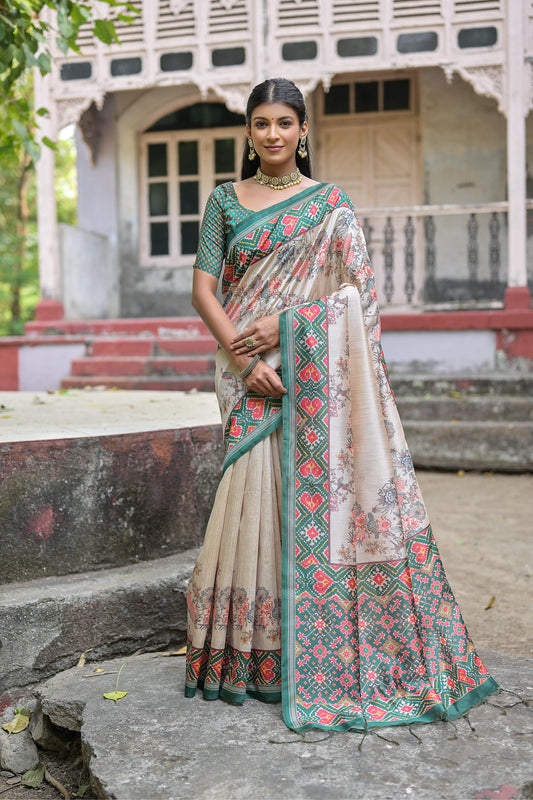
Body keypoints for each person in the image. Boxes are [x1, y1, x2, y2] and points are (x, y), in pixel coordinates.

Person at [184, 77, 498, 732]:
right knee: (249, 502)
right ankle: (247, 659)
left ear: (304, 131)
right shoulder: (223, 200)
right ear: (248, 132)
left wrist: (287, 330)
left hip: (310, 374)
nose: (272, 134)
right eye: (261, 123)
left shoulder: (330, 205)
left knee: (311, 505)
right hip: (244, 375)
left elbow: (358, 297)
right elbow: (204, 292)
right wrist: (246, 361)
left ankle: (310, 654)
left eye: (284, 123)